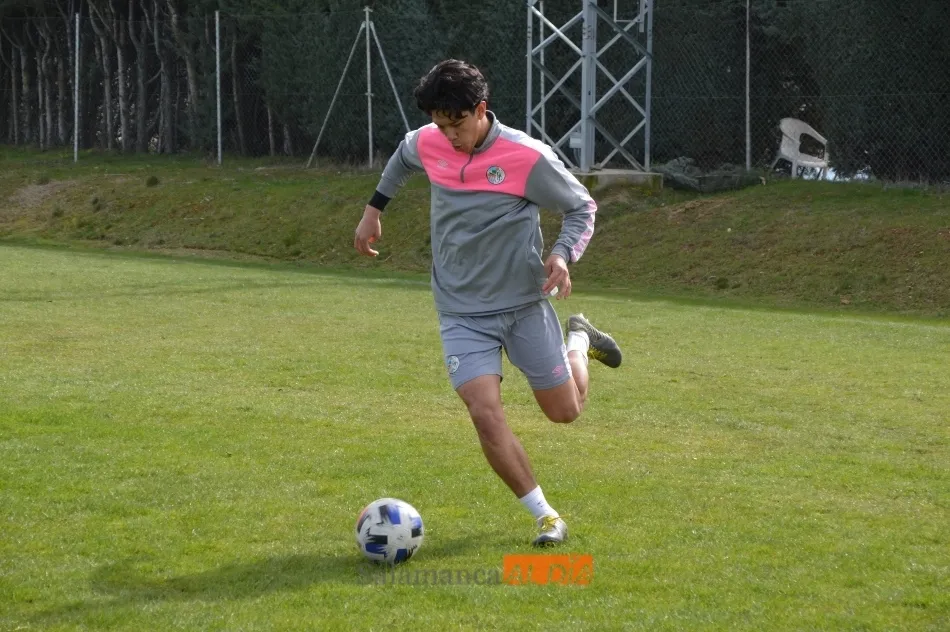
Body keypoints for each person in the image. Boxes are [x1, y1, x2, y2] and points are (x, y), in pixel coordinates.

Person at [354, 59, 622, 546]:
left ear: (481, 109)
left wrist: (562, 254)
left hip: (522, 305)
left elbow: (582, 207)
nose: (448, 136)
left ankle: (579, 341)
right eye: (440, 125)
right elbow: (403, 155)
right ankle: (546, 517)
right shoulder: (429, 141)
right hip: (460, 311)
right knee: (483, 411)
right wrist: (374, 210)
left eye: (457, 124)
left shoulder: (527, 157)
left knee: (564, 412)